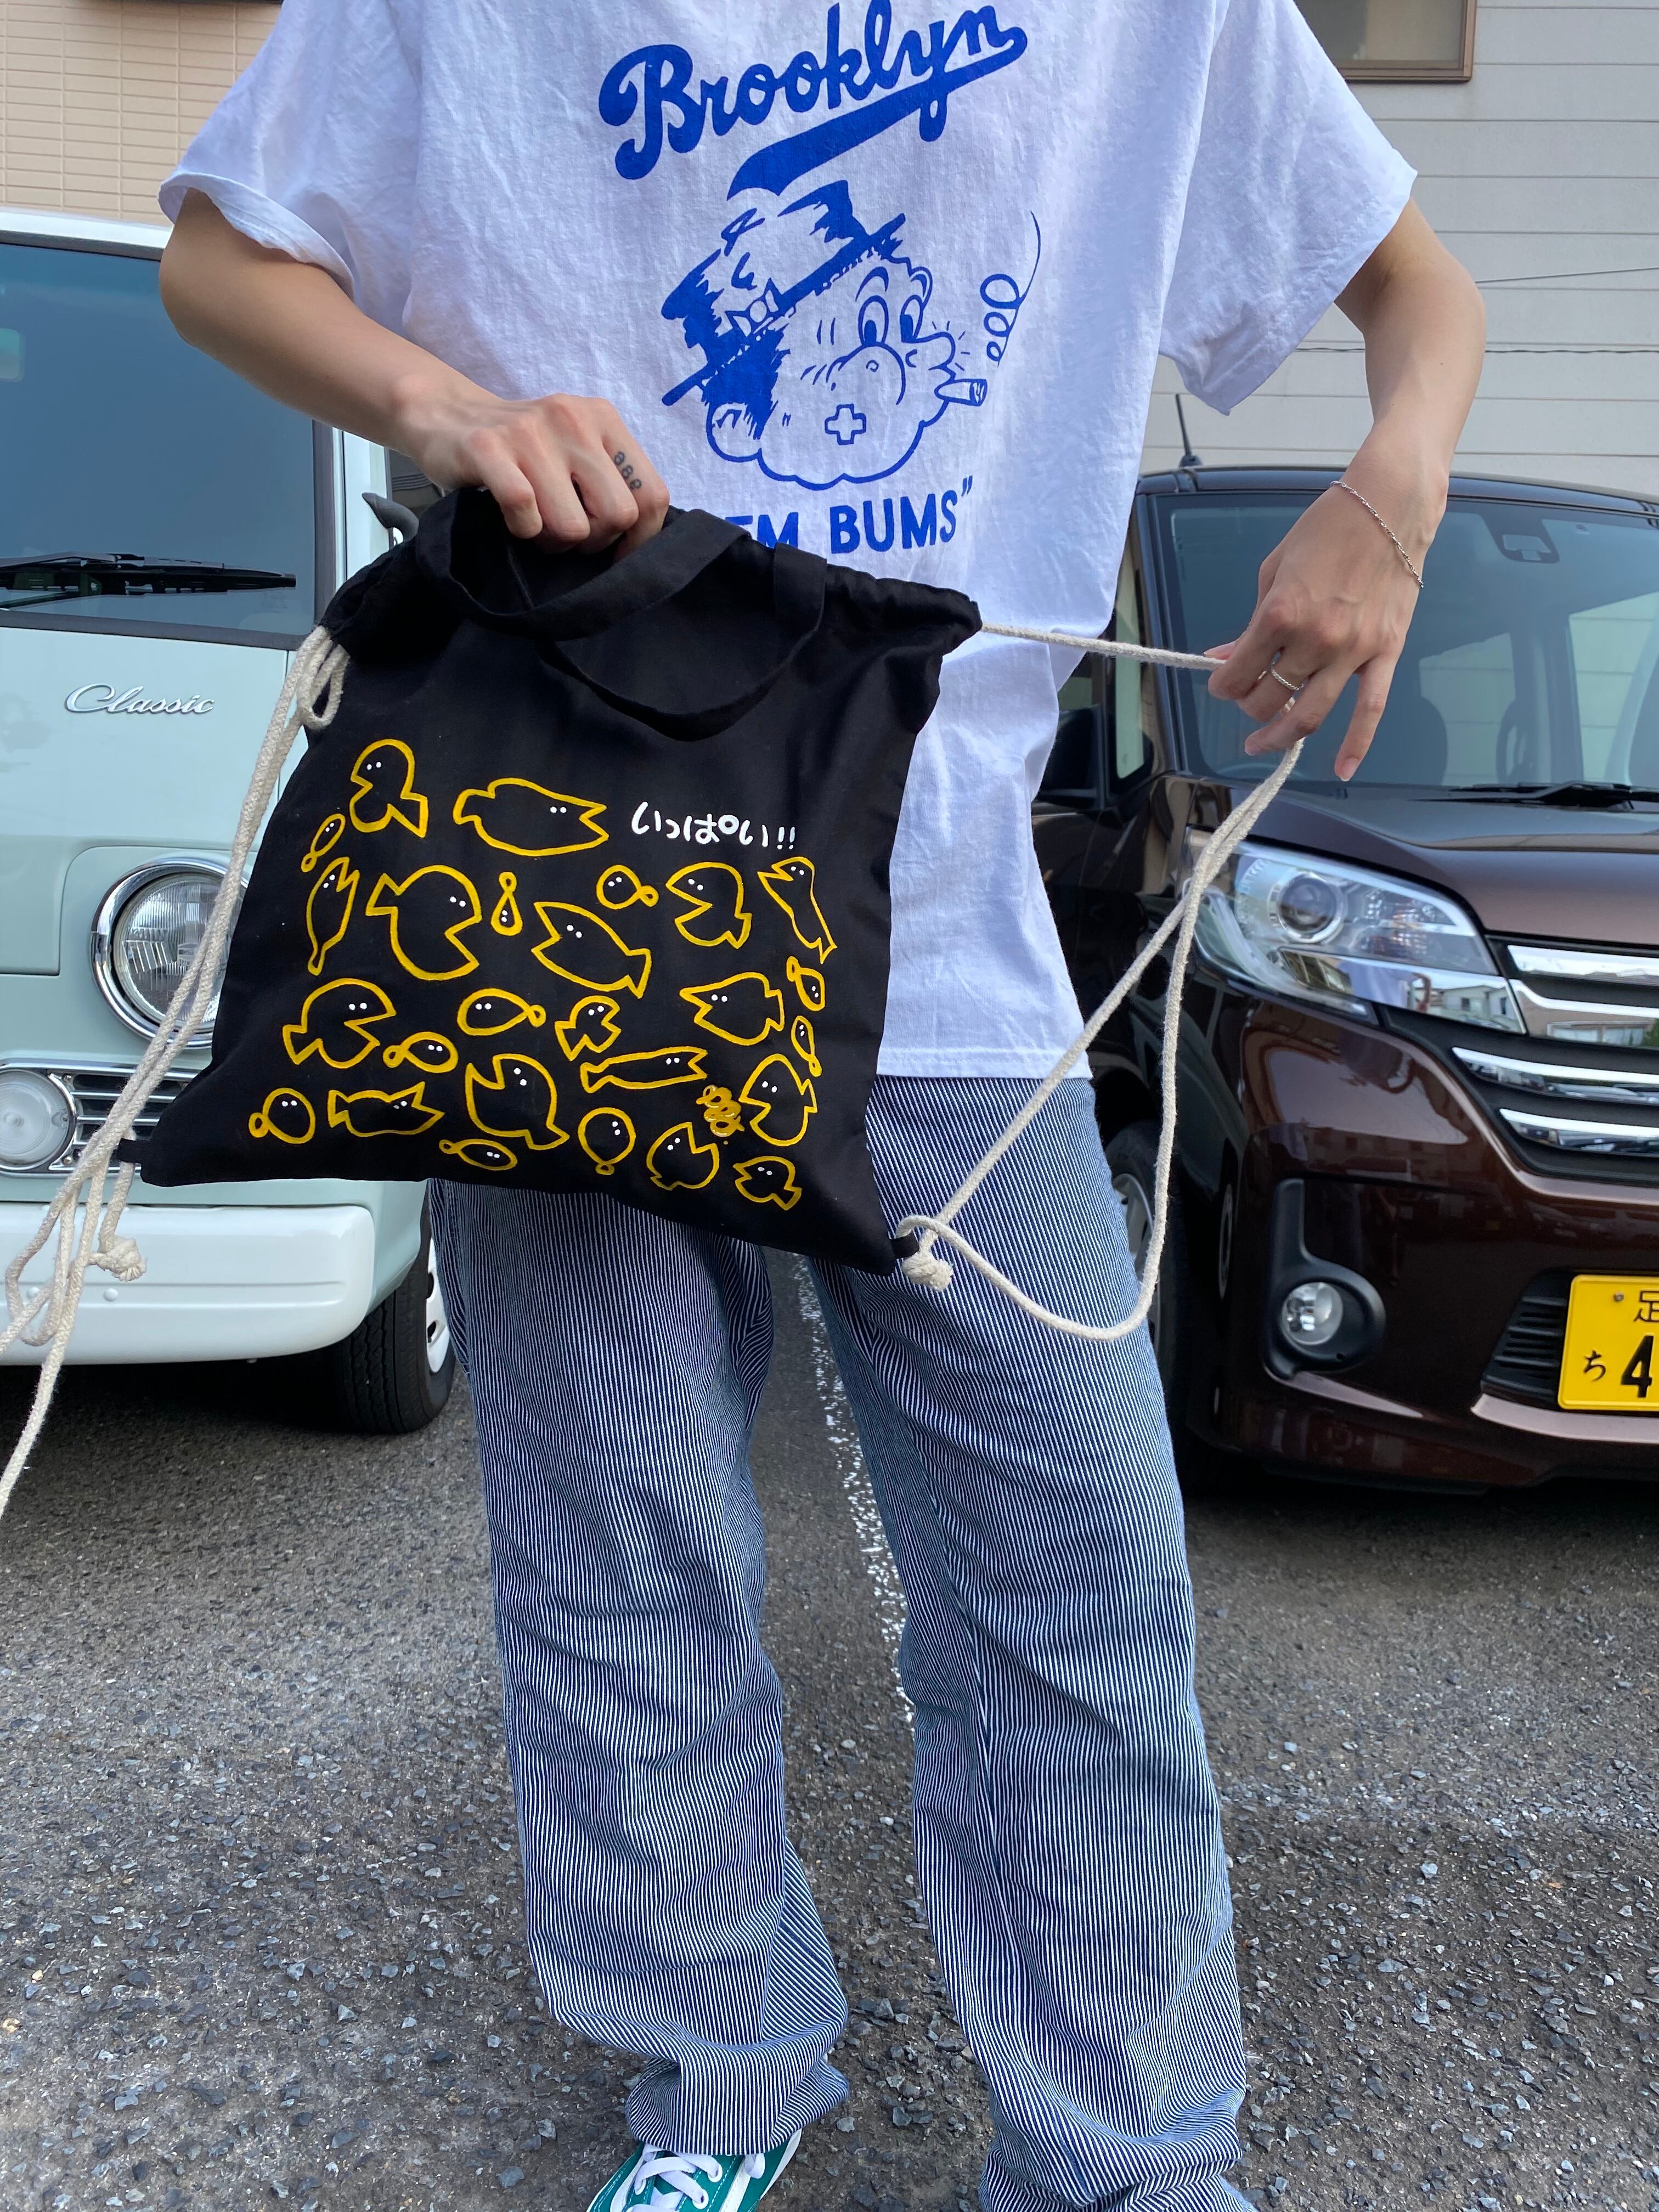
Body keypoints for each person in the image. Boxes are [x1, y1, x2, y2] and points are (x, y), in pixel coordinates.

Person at [158, 5, 1483, 2207]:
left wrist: (1392, 491)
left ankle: (1127, 2156)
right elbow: (221, 253)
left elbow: (1416, 291)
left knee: (1079, 1592)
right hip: (567, 897)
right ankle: (717, 2090)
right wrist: (451, 409)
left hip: (946, 936)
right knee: (617, 1566)